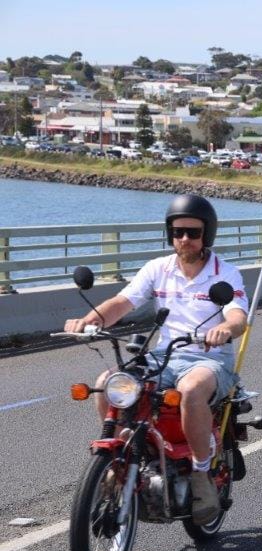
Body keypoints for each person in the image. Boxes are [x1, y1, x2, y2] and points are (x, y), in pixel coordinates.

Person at [63, 194, 249, 524]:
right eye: (178, 232)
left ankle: (201, 476)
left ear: (208, 234)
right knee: (108, 383)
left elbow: (237, 317)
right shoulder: (157, 269)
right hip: (164, 355)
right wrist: (90, 320)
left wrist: (224, 329)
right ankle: (118, 452)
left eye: (192, 232)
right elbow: (122, 303)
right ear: (169, 233)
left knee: (191, 390)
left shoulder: (226, 274)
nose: (185, 239)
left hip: (209, 359)